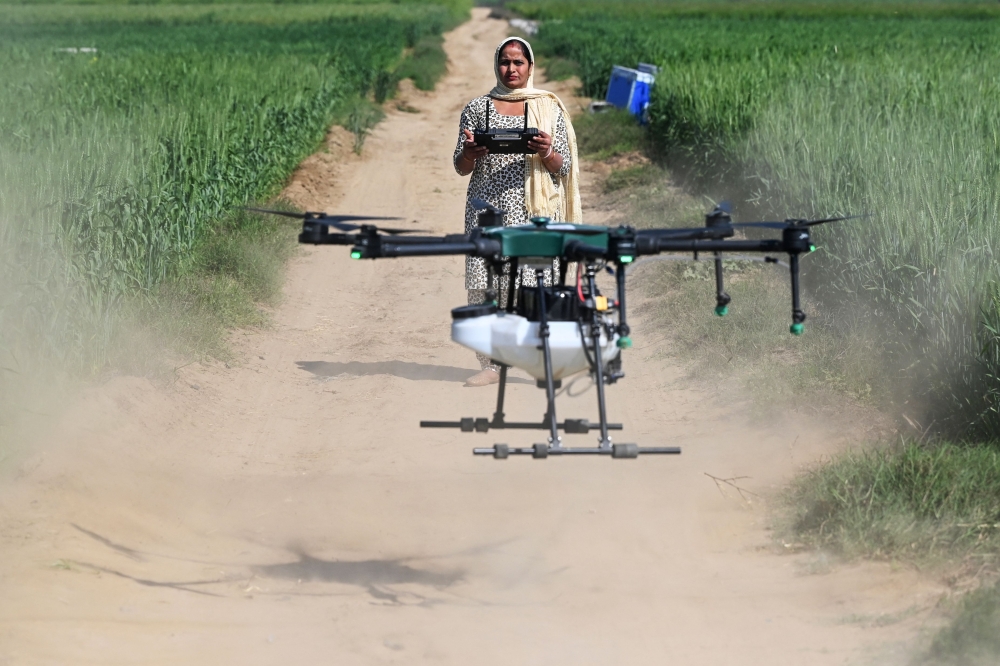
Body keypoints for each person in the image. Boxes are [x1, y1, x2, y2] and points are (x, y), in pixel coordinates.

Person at [453, 36, 582, 387]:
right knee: (487, 284)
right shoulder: (477, 108)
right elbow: (460, 167)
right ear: (497, 64)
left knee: (536, 284)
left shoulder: (548, 107)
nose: (511, 69)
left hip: (534, 212)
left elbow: (563, 167)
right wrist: (471, 152)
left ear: (530, 66)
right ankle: (492, 365)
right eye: (505, 62)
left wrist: (546, 151)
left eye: (518, 62)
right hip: (486, 210)